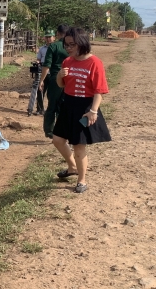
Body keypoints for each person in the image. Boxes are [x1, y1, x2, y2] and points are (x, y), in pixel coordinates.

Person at [52, 27, 112, 193]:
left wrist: (93, 111)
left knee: (79, 145)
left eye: (72, 45)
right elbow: (61, 84)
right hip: (68, 104)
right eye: (66, 45)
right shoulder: (67, 61)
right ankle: (72, 167)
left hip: (85, 107)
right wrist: (59, 75)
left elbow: (99, 91)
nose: (68, 48)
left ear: (82, 43)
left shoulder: (95, 63)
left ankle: (82, 180)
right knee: (57, 140)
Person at [39, 24, 70, 138]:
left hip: (55, 80)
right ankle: (62, 130)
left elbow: (46, 66)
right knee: (63, 106)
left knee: (52, 105)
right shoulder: (72, 47)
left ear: (57, 34)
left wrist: (41, 80)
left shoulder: (53, 46)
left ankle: (49, 131)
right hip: (68, 80)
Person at [28, 30, 56, 116]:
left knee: (52, 93)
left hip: (52, 72)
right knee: (40, 91)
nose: (48, 39)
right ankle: (40, 109)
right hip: (43, 71)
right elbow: (39, 59)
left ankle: (51, 110)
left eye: (49, 37)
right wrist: (37, 62)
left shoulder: (56, 47)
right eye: (46, 37)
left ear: (54, 38)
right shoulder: (42, 49)